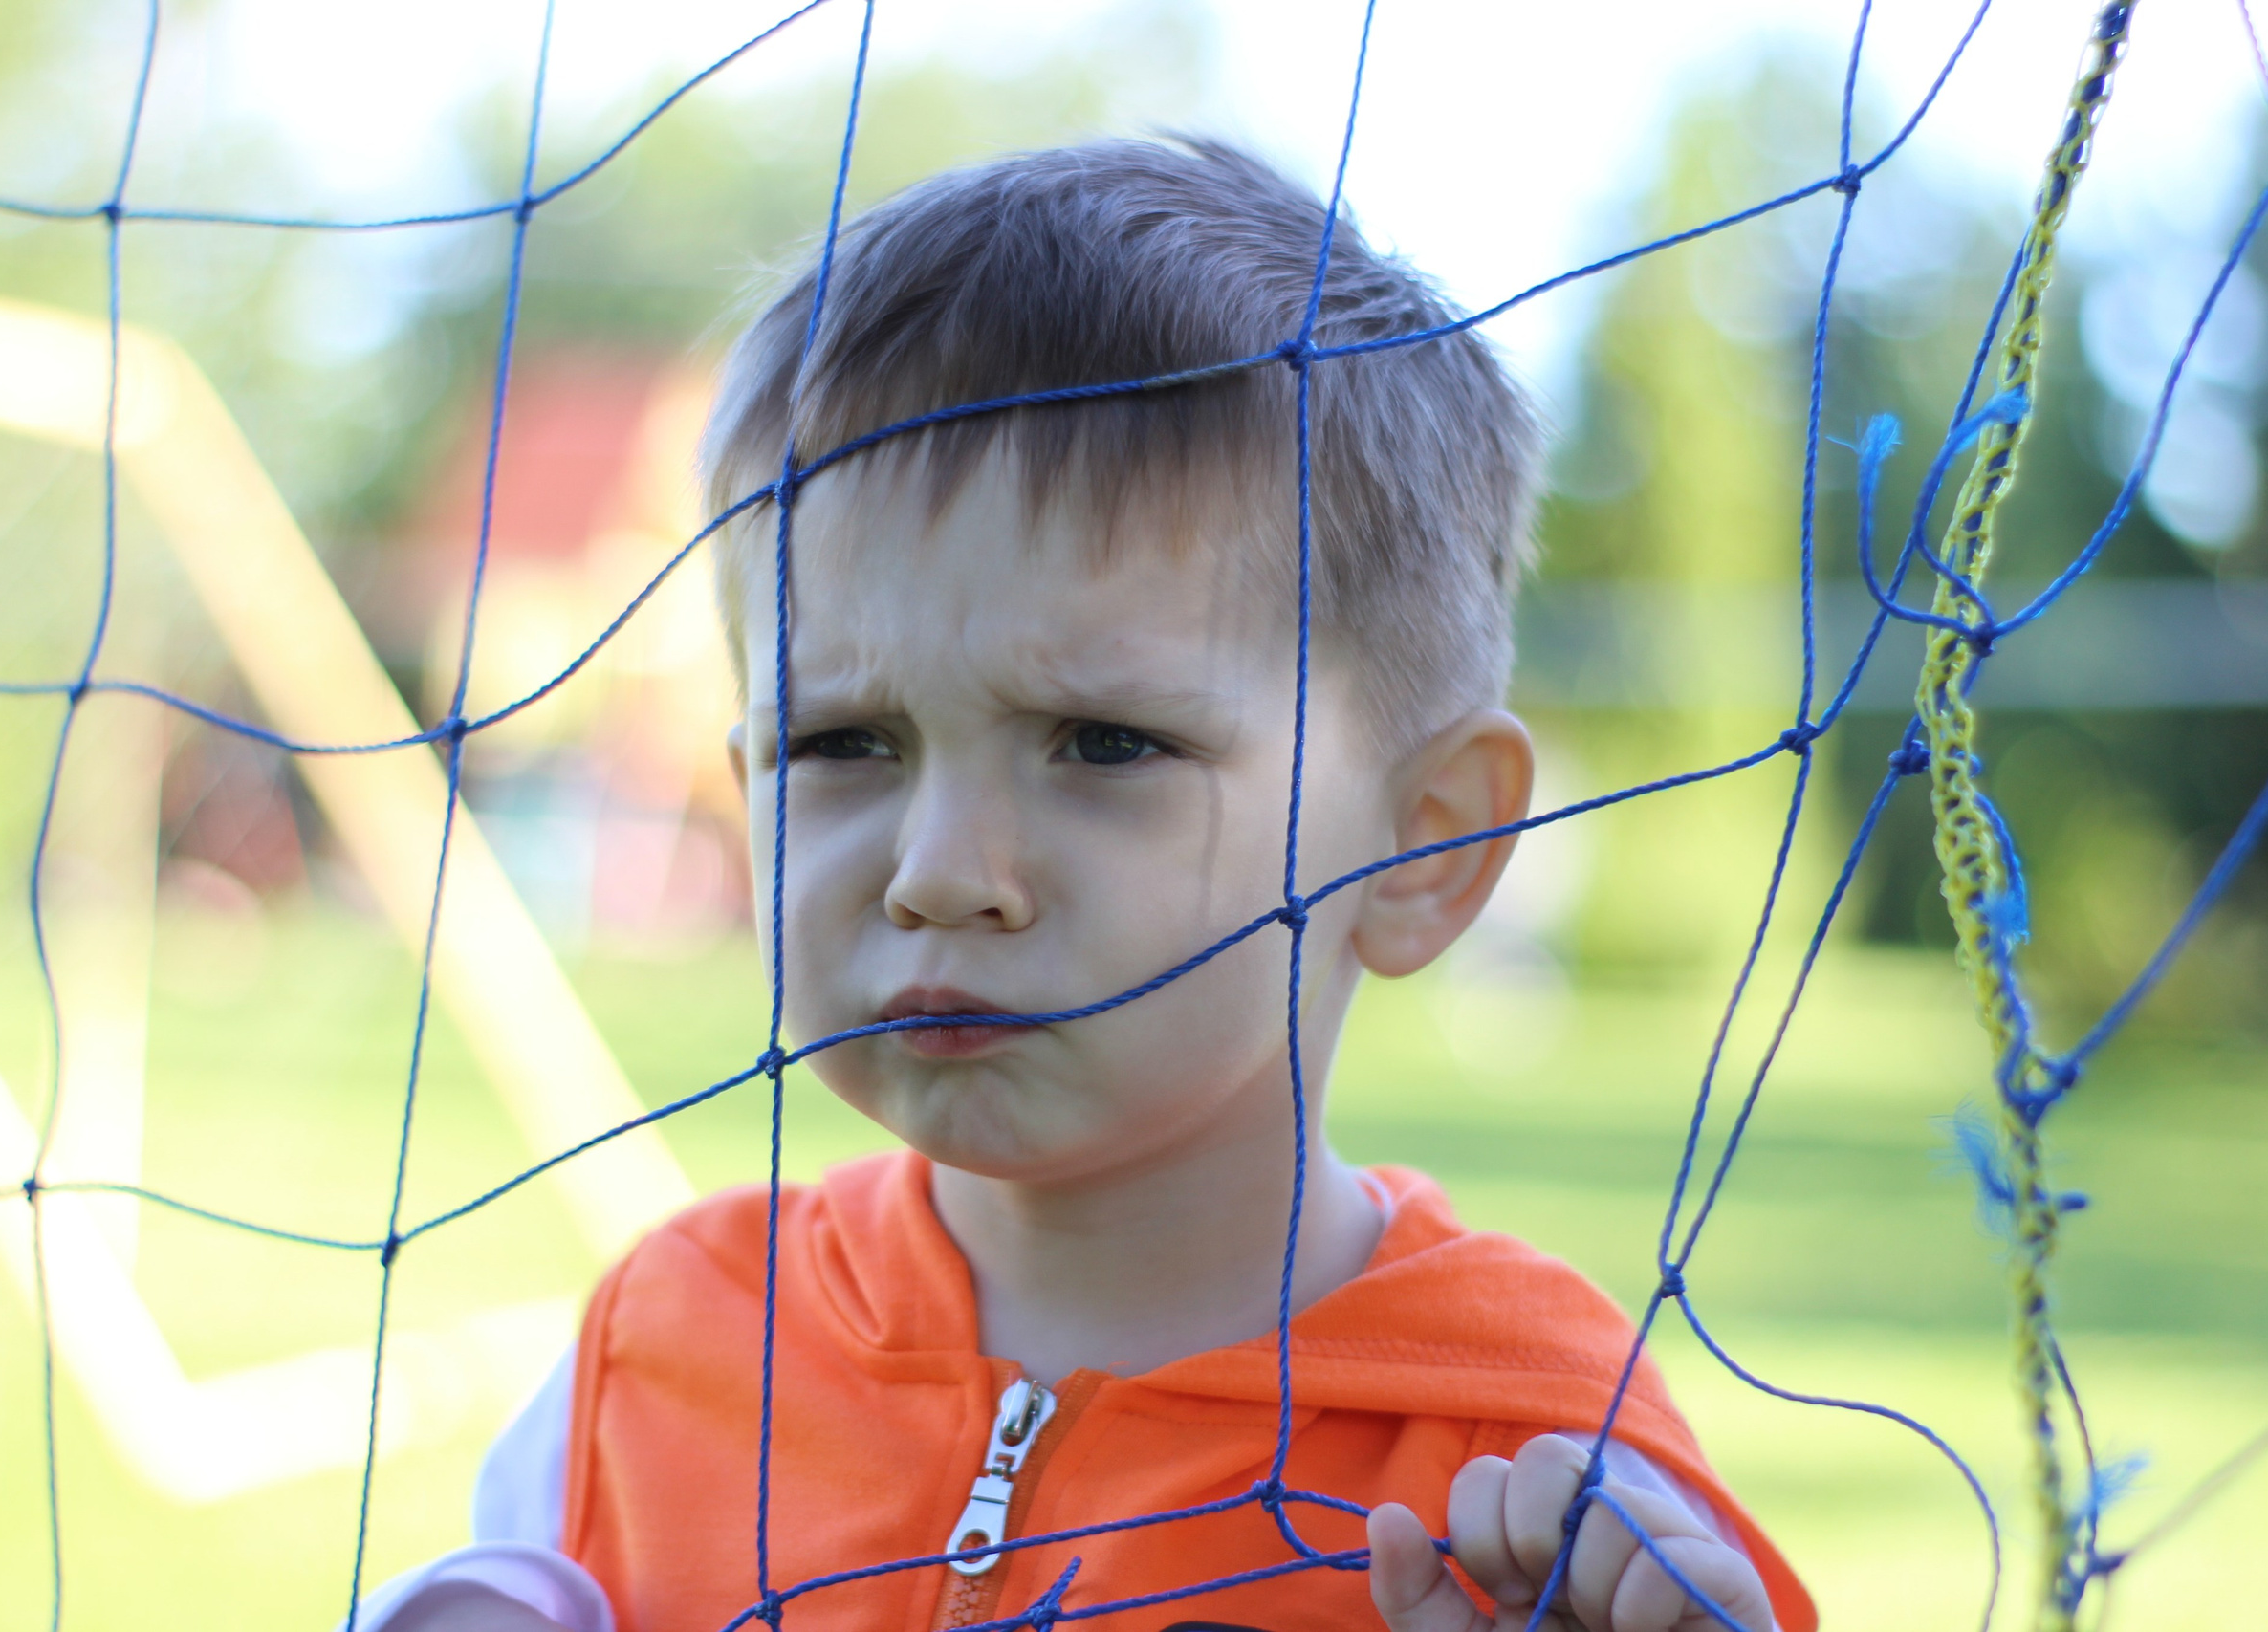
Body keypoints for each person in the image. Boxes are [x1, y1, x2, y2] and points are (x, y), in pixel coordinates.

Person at [357, 137, 1814, 1632]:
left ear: (1426, 843)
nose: (939, 875)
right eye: (843, 742)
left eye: (1105, 743)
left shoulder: (1550, 1503)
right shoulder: (662, 1354)